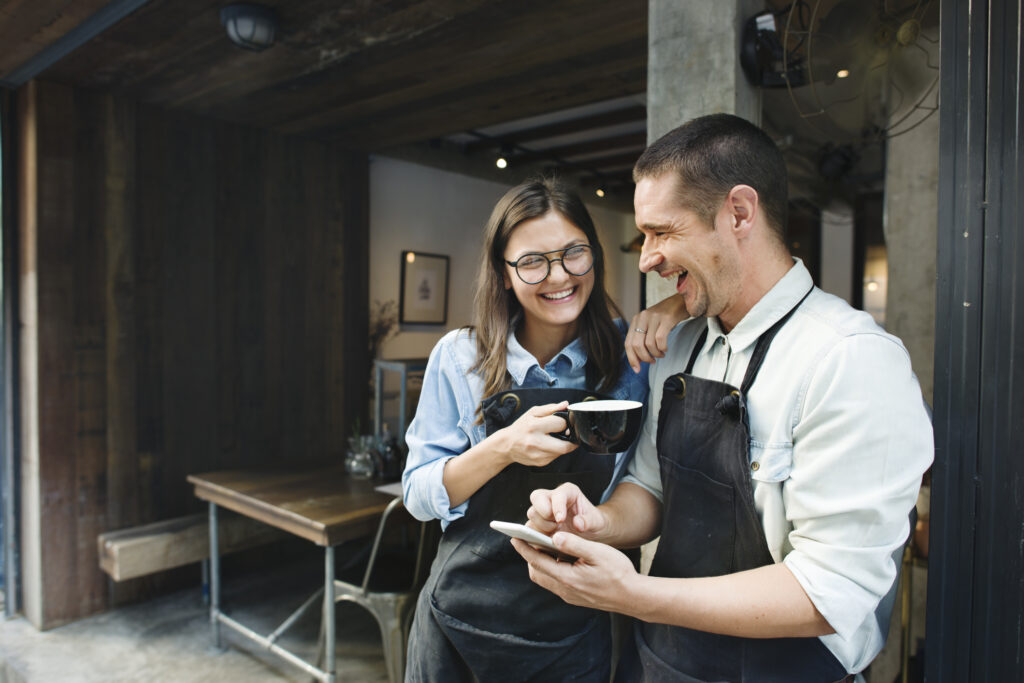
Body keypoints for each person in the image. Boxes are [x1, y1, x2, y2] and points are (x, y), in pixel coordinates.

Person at [512, 114, 934, 682]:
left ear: (738, 212)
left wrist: (634, 594)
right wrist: (593, 522)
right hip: (661, 662)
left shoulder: (850, 360)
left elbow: (828, 592)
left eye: (662, 232)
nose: (646, 258)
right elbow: (650, 488)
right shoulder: (679, 345)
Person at [401, 176, 686, 681]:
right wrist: (502, 447)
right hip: (459, 620)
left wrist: (675, 307)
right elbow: (418, 496)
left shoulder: (634, 357)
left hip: (577, 621)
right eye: (532, 261)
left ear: (594, 257)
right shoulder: (460, 356)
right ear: (504, 274)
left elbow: (648, 486)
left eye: (573, 253)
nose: (559, 276)